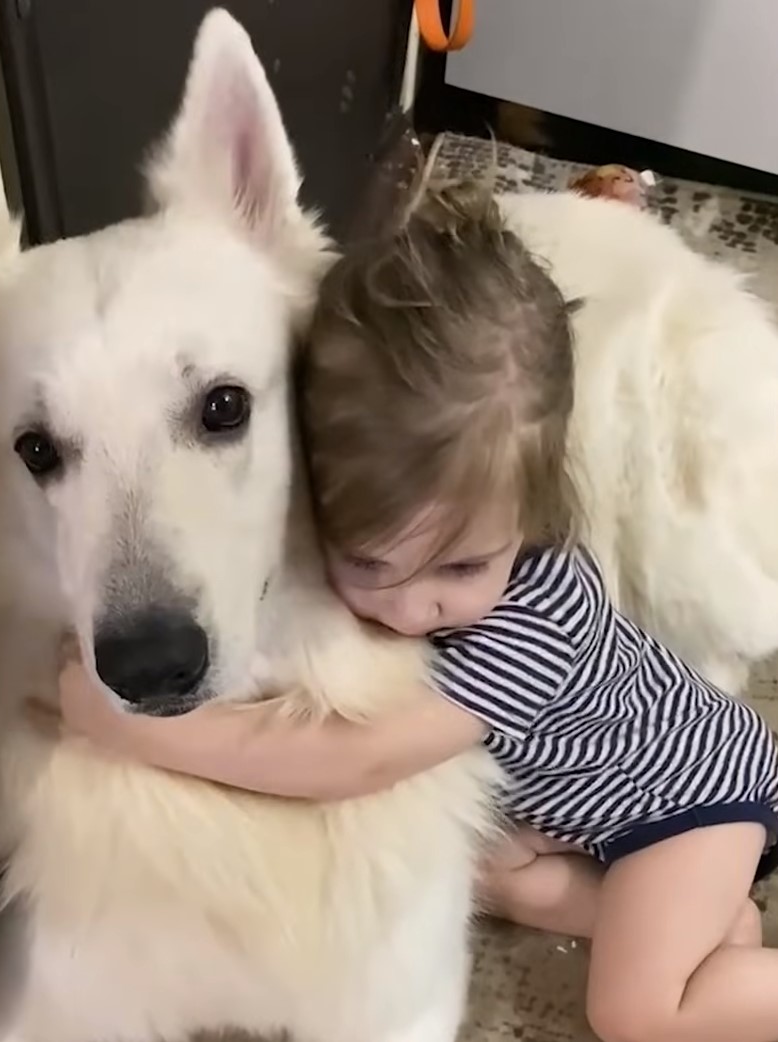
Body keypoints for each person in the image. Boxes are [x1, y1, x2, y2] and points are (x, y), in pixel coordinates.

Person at [52, 179, 778, 1042]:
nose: (411, 605)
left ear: (537, 513)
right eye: (367, 563)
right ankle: (714, 935)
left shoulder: (542, 619)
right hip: (583, 821)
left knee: (633, 1012)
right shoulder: (400, 552)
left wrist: (125, 724)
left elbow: (351, 762)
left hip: (692, 802)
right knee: (495, 878)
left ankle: (711, 963)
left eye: (463, 566)